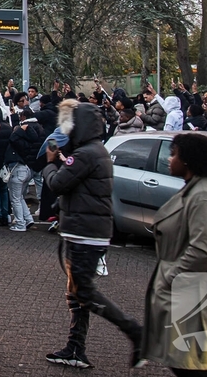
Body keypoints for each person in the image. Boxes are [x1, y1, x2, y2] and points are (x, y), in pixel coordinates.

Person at [42, 101, 142, 369]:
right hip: (86, 230)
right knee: (75, 293)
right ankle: (75, 348)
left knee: (83, 291)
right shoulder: (95, 151)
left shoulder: (86, 154)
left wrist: (51, 164)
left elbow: (57, 184)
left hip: (85, 233)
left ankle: (134, 331)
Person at [143, 133, 207, 376]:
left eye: (174, 154)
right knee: (190, 362)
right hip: (195, 289)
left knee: (193, 364)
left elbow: (204, 250)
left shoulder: (204, 195)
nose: (169, 159)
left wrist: (171, 276)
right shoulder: (197, 189)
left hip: (199, 291)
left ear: (188, 160)